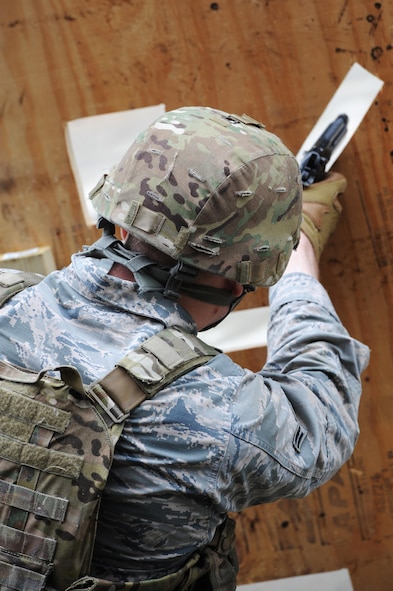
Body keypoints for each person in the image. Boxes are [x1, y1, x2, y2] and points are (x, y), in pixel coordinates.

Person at [0, 107, 369, 590]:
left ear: (121, 218)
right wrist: (298, 270)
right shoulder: (219, 415)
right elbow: (320, 418)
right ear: (238, 282)